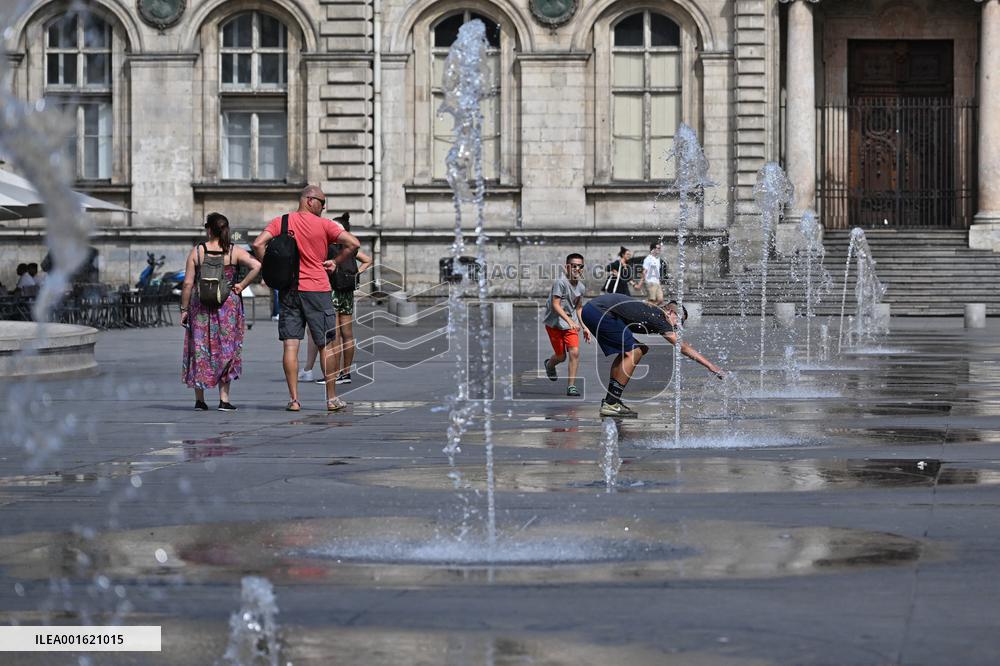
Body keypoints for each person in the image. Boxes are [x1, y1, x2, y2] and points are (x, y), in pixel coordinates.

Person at [252, 185, 361, 412]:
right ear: (310, 200)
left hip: (289, 290)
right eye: (322, 203)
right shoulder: (324, 225)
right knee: (327, 345)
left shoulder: (281, 222)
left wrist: (271, 269)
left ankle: (294, 400)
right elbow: (354, 244)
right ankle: (331, 399)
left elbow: (257, 244)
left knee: (291, 345)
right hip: (317, 290)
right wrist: (335, 261)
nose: (323, 208)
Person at [580, 292, 724, 418]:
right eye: (679, 321)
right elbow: (682, 347)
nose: (678, 326)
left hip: (593, 309)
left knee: (639, 349)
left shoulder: (654, 312)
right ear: (671, 313)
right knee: (635, 351)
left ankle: (612, 401)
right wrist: (710, 366)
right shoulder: (661, 318)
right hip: (600, 311)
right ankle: (611, 403)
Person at [180, 212, 261, 411]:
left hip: (201, 306)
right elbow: (257, 265)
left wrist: (184, 308)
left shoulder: (197, 252)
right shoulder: (234, 251)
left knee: (200, 348)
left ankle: (200, 400)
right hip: (227, 306)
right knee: (227, 349)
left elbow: (188, 283)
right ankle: (224, 399)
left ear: (208, 229)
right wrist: (241, 285)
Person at [299, 213, 373, 385]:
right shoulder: (351, 249)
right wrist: (355, 275)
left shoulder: (328, 248)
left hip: (332, 291)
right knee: (348, 334)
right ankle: (345, 373)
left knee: (334, 335)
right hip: (347, 292)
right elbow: (367, 260)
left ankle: (331, 375)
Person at [542, 253, 590, 396]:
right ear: (566, 267)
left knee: (574, 353)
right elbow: (555, 305)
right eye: (573, 266)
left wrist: (584, 326)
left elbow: (579, 307)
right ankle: (549, 364)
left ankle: (571, 386)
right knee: (561, 356)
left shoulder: (581, 287)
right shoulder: (560, 283)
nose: (577, 269)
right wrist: (569, 321)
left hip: (570, 325)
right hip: (554, 324)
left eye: (580, 266)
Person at [637, 241, 665, 305]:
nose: (659, 250)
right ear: (653, 249)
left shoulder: (657, 259)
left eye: (659, 248)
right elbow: (644, 271)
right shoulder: (648, 259)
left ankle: (647, 307)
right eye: (658, 248)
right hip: (650, 282)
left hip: (657, 282)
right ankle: (647, 311)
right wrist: (640, 283)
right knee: (652, 300)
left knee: (660, 300)